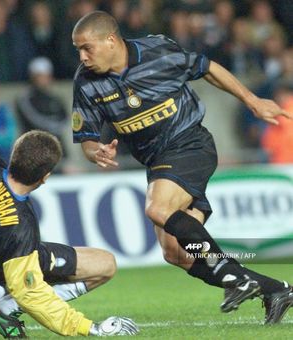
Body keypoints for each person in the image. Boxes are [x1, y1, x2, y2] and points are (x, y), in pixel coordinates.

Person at [71, 11, 293, 325]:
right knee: (174, 253)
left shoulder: (157, 52)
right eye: (77, 49)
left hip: (190, 144)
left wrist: (252, 99)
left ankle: (234, 278)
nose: (82, 56)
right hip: (157, 162)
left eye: (86, 48)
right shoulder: (86, 81)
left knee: (157, 208)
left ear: (110, 40)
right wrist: (97, 152)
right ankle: (276, 289)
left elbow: (208, 68)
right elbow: (87, 138)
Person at [0, 130, 138, 338]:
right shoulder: (22, 231)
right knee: (105, 264)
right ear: (45, 177)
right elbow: (31, 294)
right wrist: (91, 327)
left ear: (14, 154)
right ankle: (3, 308)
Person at [15, 57, 69, 171]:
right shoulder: (25, 99)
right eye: (41, 76)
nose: (45, 79)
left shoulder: (55, 99)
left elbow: (65, 118)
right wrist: (53, 125)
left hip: (57, 150)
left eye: (47, 75)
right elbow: (33, 119)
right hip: (34, 151)